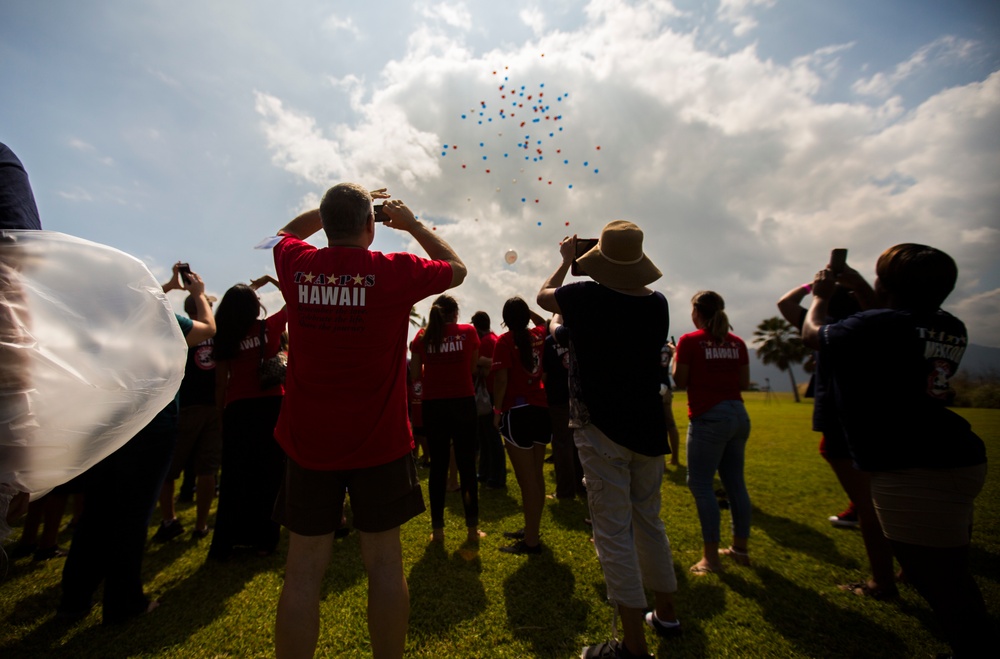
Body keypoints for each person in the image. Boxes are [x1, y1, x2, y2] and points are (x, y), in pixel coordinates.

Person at [270, 184, 465, 659]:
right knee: (383, 564)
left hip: (308, 440)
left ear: (326, 222)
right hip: (380, 441)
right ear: (371, 227)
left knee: (302, 572)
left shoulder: (297, 265)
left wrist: (330, 211)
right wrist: (413, 223)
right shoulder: (394, 271)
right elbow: (457, 270)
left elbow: (282, 233)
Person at [802, 243, 989, 657]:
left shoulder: (877, 325)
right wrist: (859, 286)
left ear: (887, 284)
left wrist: (821, 297)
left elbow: (813, 335)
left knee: (939, 581)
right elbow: (883, 318)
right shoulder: (950, 324)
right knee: (949, 571)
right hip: (958, 454)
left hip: (914, 465)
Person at [537, 223, 679, 659]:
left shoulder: (584, 297)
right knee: (649, 523)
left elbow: (544, 298)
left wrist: (565, 261)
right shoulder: (658, 304)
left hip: (600, 428)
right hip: (648, 428)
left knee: (613, 532)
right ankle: (667, 615)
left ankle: (632, 646)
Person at [57, 269, 215, 623]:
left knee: (95, 514)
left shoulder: (106, 322)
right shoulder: (162, 321)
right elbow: (208, 329)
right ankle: (123, 602)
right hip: (151, 427)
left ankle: (74, 600)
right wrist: (198, 294)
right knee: (132, 517)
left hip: (106, 426)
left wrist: (170, 287)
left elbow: (134, 300)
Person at [777, 274, 898, 599]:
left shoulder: (830, 326)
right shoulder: (878, 324)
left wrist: (814, 290)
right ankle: (906, 568)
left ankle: (882, 582)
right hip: (880, 414)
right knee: (883, 494)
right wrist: (856, 284)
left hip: (843, 415)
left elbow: (785, 304)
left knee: (871, 505)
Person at [207, 278, 287, 561]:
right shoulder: (269, 327)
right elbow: (293, 299)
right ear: (255, 306)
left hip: (237, 409)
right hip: (271, 406)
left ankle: (228, 542)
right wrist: (272, 281)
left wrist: (220, 415)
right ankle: (265, 540)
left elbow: (219, 383)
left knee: (234, 478)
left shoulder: (225, 336)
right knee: (270, 476)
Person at [674, 291, 752, 574]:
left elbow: (680, 381)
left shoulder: (689, 341)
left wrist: (677, 360)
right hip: (738, 415)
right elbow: (744, 382)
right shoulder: (738, 342)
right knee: (735, 485)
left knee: (701, 484)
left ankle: (711, 558)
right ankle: (740, 549)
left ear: (697, 312)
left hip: (708, 417)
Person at [409, 294, 484, 544]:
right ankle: (472, 530)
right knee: (466, 467)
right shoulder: (469, 332)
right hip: (463, 402)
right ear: (455, 313)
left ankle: (438, 531)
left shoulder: (422, 336)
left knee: (438, 468)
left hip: (434, 405)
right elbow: (473, 368)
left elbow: (415, 374)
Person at [154, 279, 221, 542]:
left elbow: (146, 306)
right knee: (206, 470)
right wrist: (199, 293)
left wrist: (170, 285)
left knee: (170, 469)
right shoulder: (215, 331)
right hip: (210, 407)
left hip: (187, 406)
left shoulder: (174, 329)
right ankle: (200, 525)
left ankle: (170, 520)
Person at [491, 297, 549, 554]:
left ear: (505, 318)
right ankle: (532, 529)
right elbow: (545, 322)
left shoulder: (504, 342)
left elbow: (501, 381)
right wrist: (528, 314)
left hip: (517, 412)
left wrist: (496, 411)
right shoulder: (538, 334)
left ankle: (531, 541)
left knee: (527, 482)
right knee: (536, 477)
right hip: (541, 409)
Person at [542, 315, 585, 500]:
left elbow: (543, 374)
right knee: (580, 444)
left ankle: (565, 491)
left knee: (561, 445)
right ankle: (582, 487)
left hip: (557, 399)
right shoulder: (579, 335)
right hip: (578, 397)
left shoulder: (549, 342)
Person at [471, 310, 506, 489]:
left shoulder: (484, 341)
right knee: (488, 437)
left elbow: (480, 365)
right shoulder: (494, 338)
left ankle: (494, 477)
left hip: (488, 394)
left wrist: (477, 362)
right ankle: (486, 473)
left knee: (489, 438)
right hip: (493, 393)